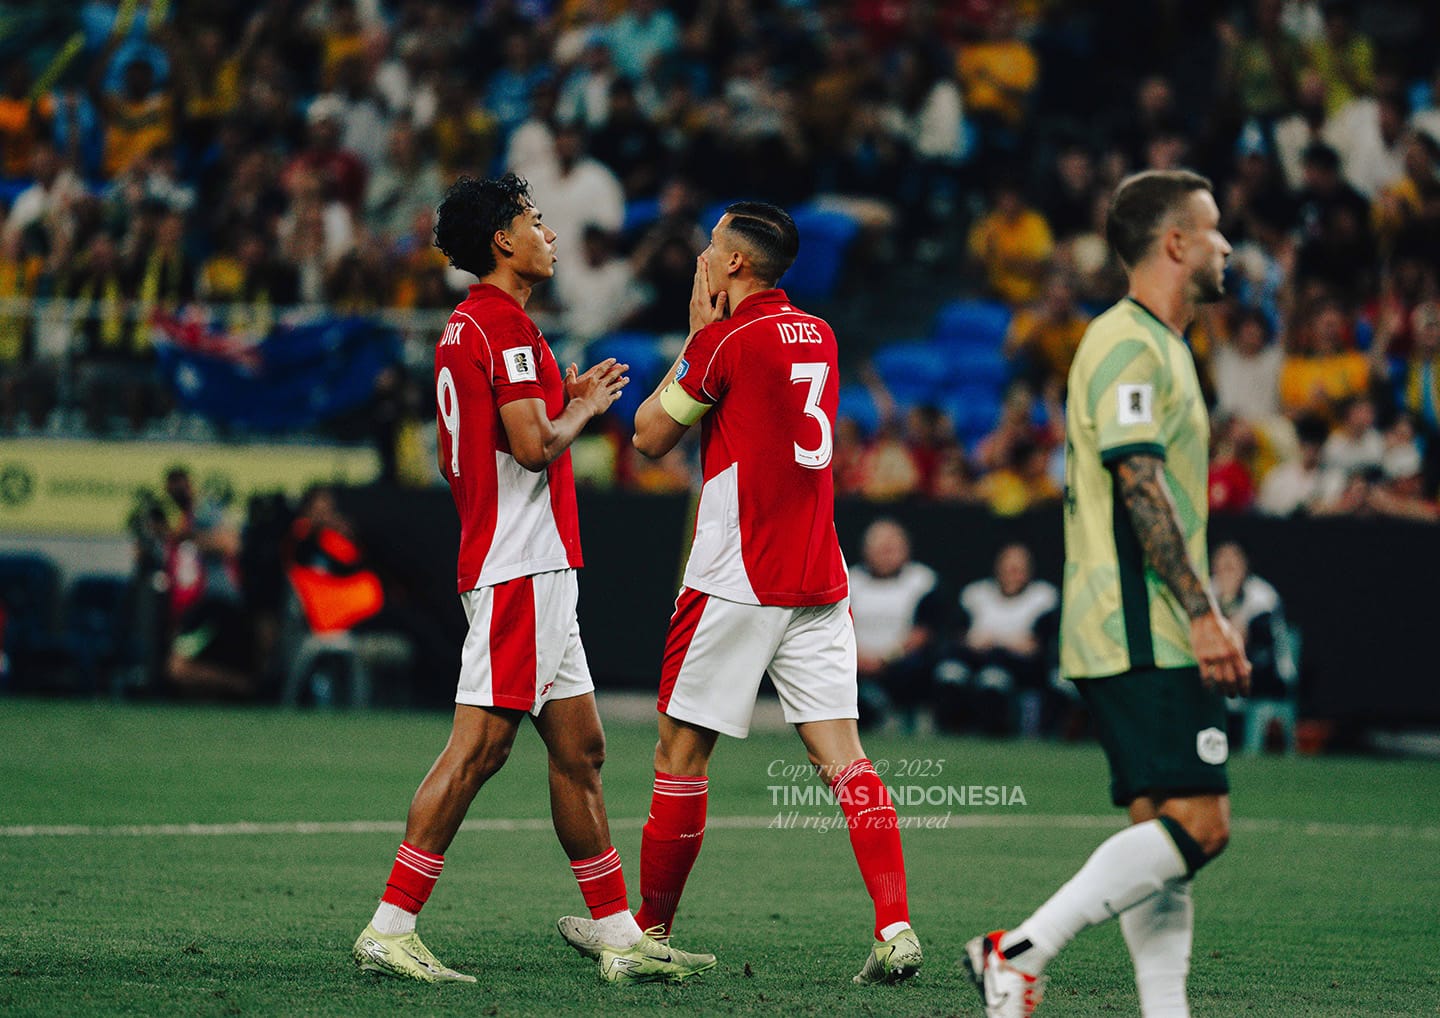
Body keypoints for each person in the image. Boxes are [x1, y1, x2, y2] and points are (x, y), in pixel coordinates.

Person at [351, 174, 715, 986]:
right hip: (521, 563)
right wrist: (581, 408)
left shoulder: (469, 324)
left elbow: (501, 433)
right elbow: (531, 444)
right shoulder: (505, 324)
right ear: (502, 242)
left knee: (580, 751)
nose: (549, 235)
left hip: (524, 560)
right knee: (479, 748)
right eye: (535, 221)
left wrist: (564, 401)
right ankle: (391, 925)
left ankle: (618, 934)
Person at [589, 201, 923, 985]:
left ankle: (651, 934)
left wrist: (693, 337)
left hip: (738, 574)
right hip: (818, 574)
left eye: (711, 246)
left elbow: (648, 436)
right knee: (845, 759)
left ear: (735, 264)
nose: (703, 256)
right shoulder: (821, 333)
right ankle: (895, 927)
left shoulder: (726, 340)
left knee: (680, 755)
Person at [966, 169, 1251, 1018]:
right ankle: (1017, 951)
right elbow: (1139, 484)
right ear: (1176, 243)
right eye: (1214, 229)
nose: (1227, 245)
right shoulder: (1129, 344)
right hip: (1143, 625)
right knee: (1202, 825)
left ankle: (1165, 1011)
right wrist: (1202, 613)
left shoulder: (1160, 345)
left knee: (1159, 829)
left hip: (1127, 625)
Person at [848, 518, 943, 732]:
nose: (886, 556)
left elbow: (923, 631)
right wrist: (857, 657)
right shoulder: (849, 580)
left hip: (900, 661)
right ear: (866, 550)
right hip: (855, 660)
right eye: (880, 550)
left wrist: (886, 658)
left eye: (891, 550)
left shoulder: (922, 581)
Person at [1210, 543, 1298, 755]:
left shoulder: (1262, 594)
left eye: (1233, 561)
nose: (1227, 566)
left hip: (1266, 670)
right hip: (1220, 669)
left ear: (1244, 565)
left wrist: (1229, 600)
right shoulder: (1206, 590)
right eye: (1222, 560)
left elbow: (1242, 640)